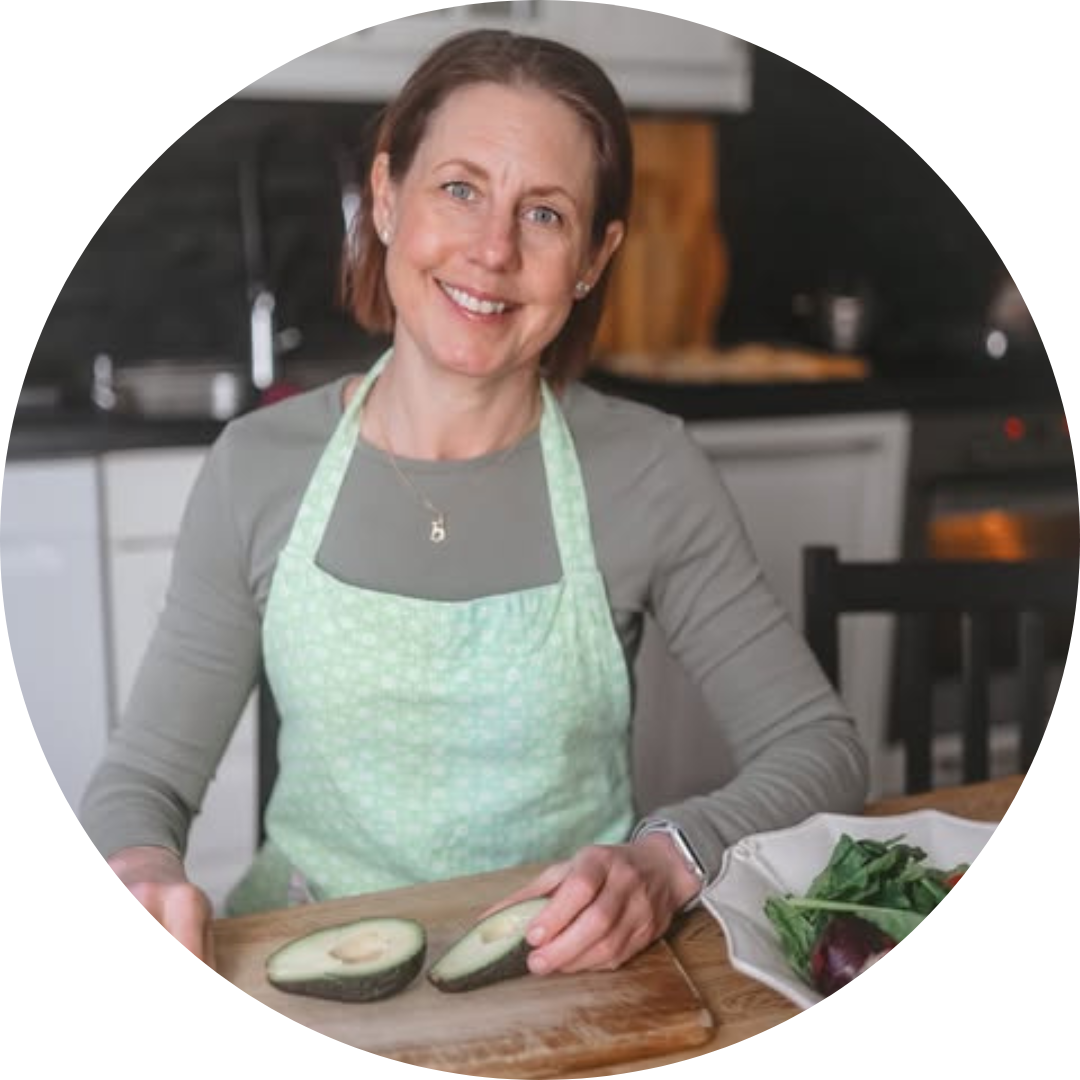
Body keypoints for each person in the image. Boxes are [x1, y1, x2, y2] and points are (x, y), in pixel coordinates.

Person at [80, 28, 868, 975]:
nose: (493, 250)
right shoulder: (255, 467)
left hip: (562, 967)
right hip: (310, 959)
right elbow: (146, 779)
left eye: (545, 214)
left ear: (594, 257)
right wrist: (140, 867)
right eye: (460, 189)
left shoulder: (650, 470)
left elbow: (819, 748)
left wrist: (668, 860)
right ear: (386, 198)